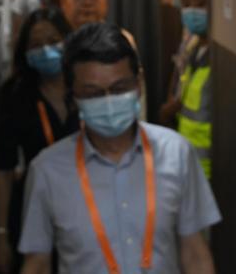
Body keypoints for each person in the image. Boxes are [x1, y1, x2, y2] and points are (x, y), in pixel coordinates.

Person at [18, 23, 220, 274]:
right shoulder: (47, 171)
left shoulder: (176, 153)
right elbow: (37, 264)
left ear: (138, 84)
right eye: (93, 93)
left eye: (119, 89)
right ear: (74, 97)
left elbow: (195, 254)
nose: (108, 101)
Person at [0, 8, 79, 274]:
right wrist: (0, 234)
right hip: (34, 205)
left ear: (67, 41)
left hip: (85, 201)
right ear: (25, 52)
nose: (46, 50)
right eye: (36, 44)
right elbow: (4, 167)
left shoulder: (86, 88)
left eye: (53, 41)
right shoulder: (16, 94)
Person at [159, 0, 213, 179]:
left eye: (200, 4)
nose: (192, 12)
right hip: (188, 156)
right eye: (186, 5)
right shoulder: (193, 46)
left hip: (209, 163)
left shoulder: (219, 55)